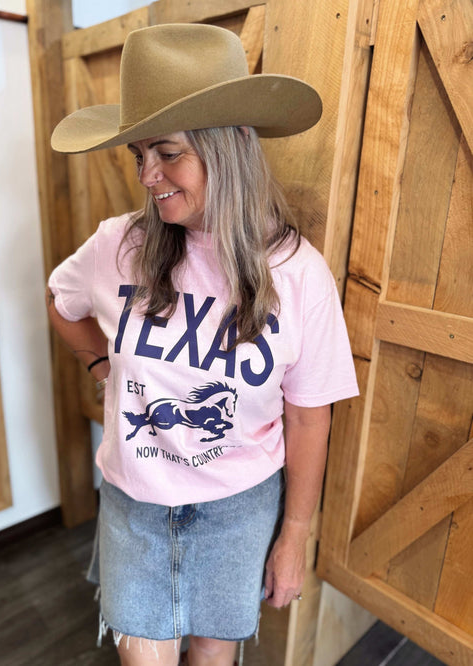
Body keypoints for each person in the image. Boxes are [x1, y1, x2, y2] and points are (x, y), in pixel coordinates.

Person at [47, 23, 358, 666]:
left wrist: (294, 535)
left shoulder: (298, 274)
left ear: (231, 144)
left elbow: (307, 415)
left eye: (167, 153)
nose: (147, 175)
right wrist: (103, 364)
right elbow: (62, 301)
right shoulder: (118, 245)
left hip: (239, 509)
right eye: (138, 156)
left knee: (213, 660)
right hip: (133, 504)